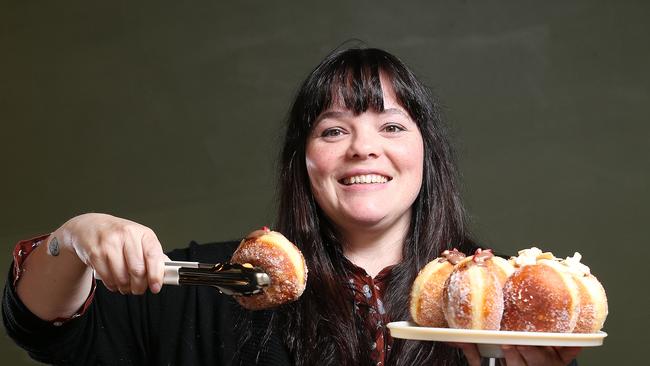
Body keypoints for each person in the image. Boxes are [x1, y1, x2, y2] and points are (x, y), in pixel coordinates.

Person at [2, 47, 582, 366]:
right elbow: (45, 329)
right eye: (333, 131)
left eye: (390, 125)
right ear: (303, 160)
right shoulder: (219, 283)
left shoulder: (504, 298)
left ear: (426, 154)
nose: (363, 148)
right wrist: (73, 239)